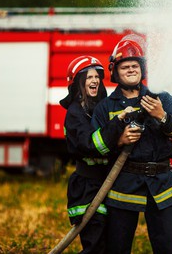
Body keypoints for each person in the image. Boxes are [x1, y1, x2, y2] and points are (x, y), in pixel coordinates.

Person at [91, 34, 172, 254]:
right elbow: (97, 145)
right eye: (125, 66)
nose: (131, 69)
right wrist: (120, 140)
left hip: (161, 184)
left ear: (142, 69)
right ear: (115, 71)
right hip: (123, 183)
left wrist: (162, 115)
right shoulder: (105, 107)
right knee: (117, 247)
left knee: (170, 247)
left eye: (135, 65)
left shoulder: (161, 98)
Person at [59, 55, 131, 254]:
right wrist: (118, 126)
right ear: (79, 83)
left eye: (97, 76)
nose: (95, 80)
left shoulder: (99, 109)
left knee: (112, 245)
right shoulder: (75, 113)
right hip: (87, 188)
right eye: (89, 77)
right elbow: (90, 144)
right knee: (95, 247)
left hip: (107, 184)